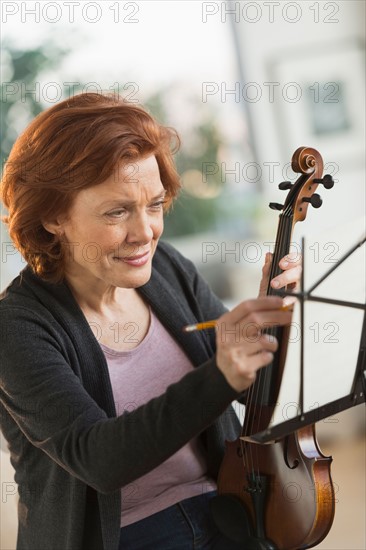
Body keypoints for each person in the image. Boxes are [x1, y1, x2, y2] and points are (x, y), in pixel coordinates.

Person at [0, 92, 301, 550]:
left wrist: (269, 316)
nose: (145, 233)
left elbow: (247, 388)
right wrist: (220, 372)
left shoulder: (166, 269)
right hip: (120, 536)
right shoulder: (16, 326)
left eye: (155, 205)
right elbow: (100, 460)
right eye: (117, 211)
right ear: (52, 217)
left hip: (223, 506)